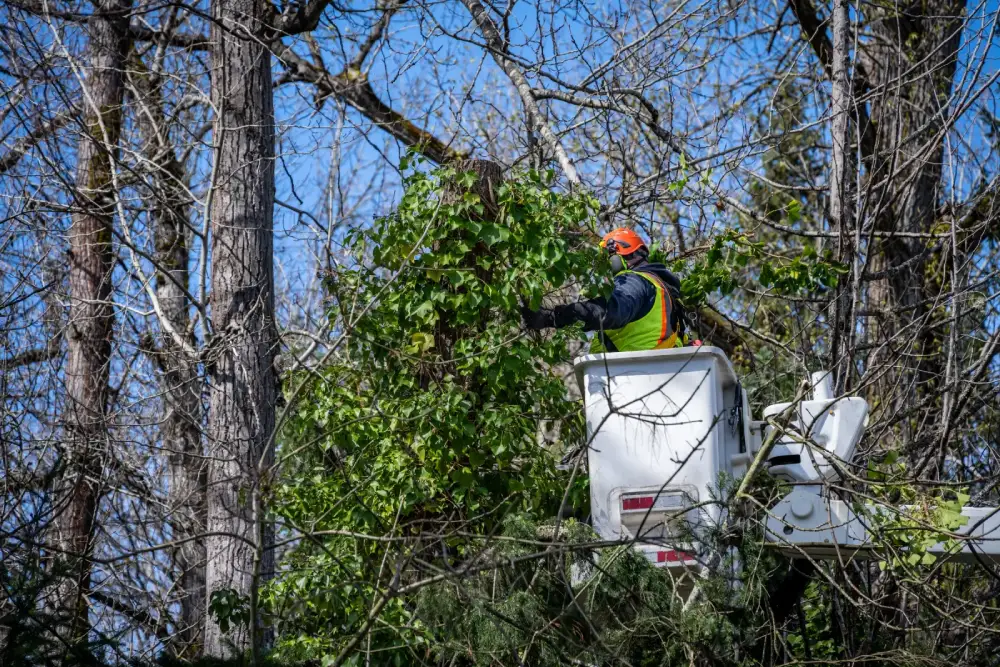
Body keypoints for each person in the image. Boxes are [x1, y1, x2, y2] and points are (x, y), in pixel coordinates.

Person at [521, 227, 684, 353]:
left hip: (632, 380)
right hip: (649, 377)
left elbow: (608, 312)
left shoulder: (634, 280)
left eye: (607, 257)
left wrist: (552, 317)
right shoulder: (663, 291)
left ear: (618, 252)